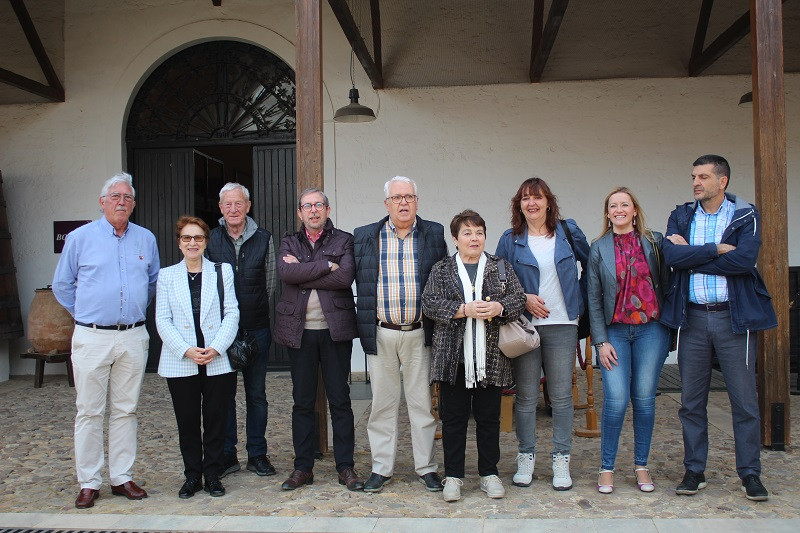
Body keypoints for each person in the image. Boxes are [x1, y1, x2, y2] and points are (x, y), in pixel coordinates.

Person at [662, 155, 777, 501]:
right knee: (691, 402)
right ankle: (694, 470)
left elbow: (744, 261)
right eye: (693, 175)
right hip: (693, 319)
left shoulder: (745, 214)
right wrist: (714, 250)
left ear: (722, 181)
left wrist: (694, 257)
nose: (696, 182)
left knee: (744, 402)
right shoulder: (682, 215)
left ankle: (750, 474)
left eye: (703, 176)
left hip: (734, 318)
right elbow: (672, 258)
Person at [52, 172, 159, 509]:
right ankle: (89, 481)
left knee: (126, 410)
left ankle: (122, 477)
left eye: (127, 197)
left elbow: (153, 282)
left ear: (134, 204)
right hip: (92, 335)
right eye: (115, 196)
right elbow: (62, 285)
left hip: (132, 336)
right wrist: (85, 315)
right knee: (89, 411)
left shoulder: (145, 239)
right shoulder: (80, 238)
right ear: (102, 202)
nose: (121, 202)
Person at [422, 210, 526, 502]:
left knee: (488, 418)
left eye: (479, 232)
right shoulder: (442, 269)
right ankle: (453, 475)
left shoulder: (499, 266)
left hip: (490, 359)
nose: (474, 238)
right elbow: (429, 303)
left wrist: (499, 308)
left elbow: (518, 298)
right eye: (467, 233)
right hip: (453, 357)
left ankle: (488, 474)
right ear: (455, 239)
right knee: (453, 419)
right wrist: (462, 310)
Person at [494, 177, 589, 491]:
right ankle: (526, 455)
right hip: (524, 327)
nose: (531, 203)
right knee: (526, 397)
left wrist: (581, 303)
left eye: (537, 197)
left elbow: (592, 266)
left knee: (561, 398)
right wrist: (524, 299)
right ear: (518, 204)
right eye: (525, 198)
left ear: (549, 201)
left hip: (563, 324)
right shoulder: (510, 239)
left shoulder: (568, 232)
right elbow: (498, 282)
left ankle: (561, 458)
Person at [354, 176, 447, 493]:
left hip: (419, 333)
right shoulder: (366, 235)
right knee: (382, 405)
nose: (403, 202)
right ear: (387, 204)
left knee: (422, 405)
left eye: (409, 196)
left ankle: (427, 468)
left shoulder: (433, 233)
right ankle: (381, 468)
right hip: (382, 333)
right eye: (397, 198)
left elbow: (444, 279)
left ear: (417, 201)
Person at [274, 188, 363, 492]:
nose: (313, 210)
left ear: (328, 209)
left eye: (318, 205)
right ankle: (303, 468)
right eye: (307, 206)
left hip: (334, 330)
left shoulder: (344, 239)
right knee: (302, 402)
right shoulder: (289, 240)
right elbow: (286, 273)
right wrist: (326, 265)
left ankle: (345, 466)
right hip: (299, 332)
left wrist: (303, 271)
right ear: (300, 212)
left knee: (340, 400)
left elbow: (345, 277)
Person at [586, 187, 670, 494]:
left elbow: (669, 284)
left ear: (635, 210)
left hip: (652, 330)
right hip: (615, 333)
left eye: (625, 204)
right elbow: (593, 298)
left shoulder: (655, 242)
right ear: (607, 213)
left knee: (645, 401)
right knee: (617, 399)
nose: (619, 209)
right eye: (613, 206)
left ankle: (641, 466)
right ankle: (606, 468)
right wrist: (600, 341)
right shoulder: (599, 248)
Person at [156, 216, 239, 498]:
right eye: (187, 238)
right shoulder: (166, 276)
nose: (193, 243)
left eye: (198, 238)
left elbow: (232, 312)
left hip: (216, 357)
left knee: (216, 420)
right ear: (179, 243)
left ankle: (213, 474)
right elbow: (162, 320)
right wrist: (186, 350)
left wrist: (217, 347)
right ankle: (192, 476)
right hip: (181, 359)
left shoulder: (221, 271)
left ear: (206, 242)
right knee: (187, 422)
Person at [206, 182, 277, 479]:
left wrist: (254, 309)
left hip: (256, 329)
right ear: (220, 208)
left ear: (248, 206)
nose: (233, 209)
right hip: (222, 332)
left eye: (239, 204)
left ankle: (257, 454)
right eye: (228, 204)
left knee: (256, 394)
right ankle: (227, 454)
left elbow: (270, 282)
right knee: (224, 395)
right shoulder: (210, 239)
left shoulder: (263, 238)